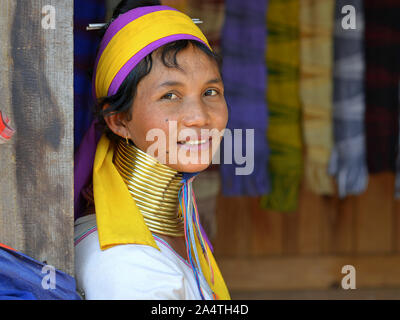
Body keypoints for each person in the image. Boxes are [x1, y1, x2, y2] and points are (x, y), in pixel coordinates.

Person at [73, 0, 230, 300]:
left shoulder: (170, 238)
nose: (199, 116)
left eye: (210, 92)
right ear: (118, 120)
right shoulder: (123, 264)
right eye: (170, 95)